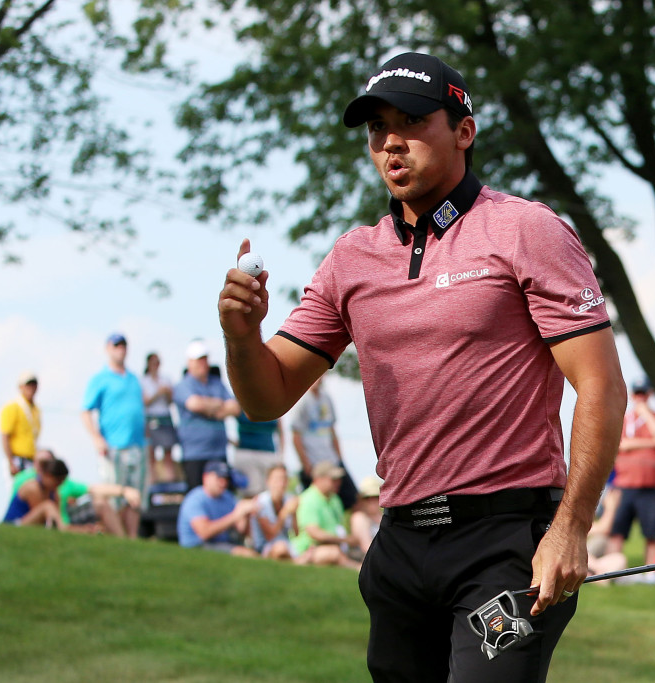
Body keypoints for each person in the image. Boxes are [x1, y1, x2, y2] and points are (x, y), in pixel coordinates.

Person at [219, 51, 627, 680]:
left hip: (506, 543)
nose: (390, 143)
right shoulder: (352, 258)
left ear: (464, 130)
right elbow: (266, 396)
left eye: (409, 122)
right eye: (377, 128)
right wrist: (241, 336)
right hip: (401, 548)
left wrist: (571, 527)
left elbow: (600, 385)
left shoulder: (525, 230)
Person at [81, 332, 146, 537]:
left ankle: (132, 539)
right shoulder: (100, 379)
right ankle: (117, 537)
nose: (121, 349)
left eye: (124, 345)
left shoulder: (134, 378)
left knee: (135, 497)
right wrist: (96, 438)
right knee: (114, 496)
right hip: (113, 447)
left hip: (137, 446)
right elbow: (86, 411)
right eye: (116, 345)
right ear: (108, 348)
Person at [607, 379, 655, 564]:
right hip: (625, 484)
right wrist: (653, 443)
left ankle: (651, 571)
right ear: (632, 394)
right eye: (637, 393)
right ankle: (612, 571)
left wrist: (646, 413)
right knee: (616, 530)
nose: (640, 397)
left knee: (653, 533)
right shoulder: (624, 418)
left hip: (654, 486)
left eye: (643, 393)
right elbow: (619, 444)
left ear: (650, 394)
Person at [13, 449, 143, 537]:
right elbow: (45, 519)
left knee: (100, 502)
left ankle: (122, 541)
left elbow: (93, 489)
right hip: (18, 523)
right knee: (47, 506)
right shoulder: (30, 484)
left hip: (60, 522)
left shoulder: (55, 490)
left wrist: (124, 491)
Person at [173, 339, 241, 488]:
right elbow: (194, 404)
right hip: (195, 455)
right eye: (198, 359)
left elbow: (235, 408)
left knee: (223, 499)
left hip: (219, 453)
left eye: (204, 359)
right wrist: (219, 406)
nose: (202, 363)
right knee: (196, 495)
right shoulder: (183, 385)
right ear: (189, 362)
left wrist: (207, 408)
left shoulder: (216, 382)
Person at [291, 376, 357, 510]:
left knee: (353, 500)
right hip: (315, 464)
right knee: (312, 504)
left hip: (332, 462)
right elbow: (296, 435)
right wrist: (306, 464)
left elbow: (332, 430)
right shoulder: (301, 399)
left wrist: (339, 459)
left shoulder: (326, 398)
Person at [176, 460, 259, 556]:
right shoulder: (195, 499)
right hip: (197, 546)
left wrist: (246, 513)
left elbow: (241, 529)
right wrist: (235, 515)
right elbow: (204, 532)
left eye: (225, 479)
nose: (223, 483)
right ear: (205, 477)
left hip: (223, 543)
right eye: (219, 478)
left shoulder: (228, 497)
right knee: (245, 554)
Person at [290, 461, 362, 569]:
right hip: (310, 550)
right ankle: (357, 568)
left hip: (335, 547)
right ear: (319, 479)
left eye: (338, 479)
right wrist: (344, 540)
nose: (338, 482)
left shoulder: (335, 499)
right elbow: (314, 533)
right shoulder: (308, 499)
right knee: (334, 553)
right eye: (333, 479)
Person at [141, 352, 180, 483]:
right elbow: (145, 402)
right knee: (151, 454)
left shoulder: (166, 379)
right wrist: (158, 393)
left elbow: (171, 401)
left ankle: (170, 484)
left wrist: (167, 393)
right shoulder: (143, 381)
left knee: (168, 453)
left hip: (166, 417)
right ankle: (152, 484)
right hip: (150, 418)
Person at [249, 464, 300, 560]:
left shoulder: (288, 499)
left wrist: (294, 513)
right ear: (268, 482)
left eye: (284, 479)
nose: (281, 483)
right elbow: (270, 536)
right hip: (264, 547)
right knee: (281, 549)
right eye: (277, 479)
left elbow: (296, 533)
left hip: (286, 544)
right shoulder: (261, 502)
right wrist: (284, 512)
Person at [3, 455, 69, 527]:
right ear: (48, 475)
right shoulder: (33, 488)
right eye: (58, 481)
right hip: (14, 524)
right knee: (47, 506)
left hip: (26, 524)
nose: (59, 485)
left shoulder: (53, 493)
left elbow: (57, 517)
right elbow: (42, 518)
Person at [0, 371, 42, 476]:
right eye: (28, 384)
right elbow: (5, 436)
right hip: (17, 458)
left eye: (34, 384)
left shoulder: (36, 410)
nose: (31, 387)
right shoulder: (12, 407)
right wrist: (11, 462)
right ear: (21, 387)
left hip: (32, 458)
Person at [232, 412, 284, 497]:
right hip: (247, 454)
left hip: (268, 454)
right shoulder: (242, 404)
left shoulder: (274, 405)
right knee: (252, 491)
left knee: (269, 492)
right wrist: (231, 441)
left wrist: (281, 455)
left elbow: (281, 430)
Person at [349, 476, 383, 556]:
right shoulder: (359, 518)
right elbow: (366, 547)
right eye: (367, 498)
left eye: (375, 497)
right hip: (367, 558)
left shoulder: (383, 517)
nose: (371, 501)